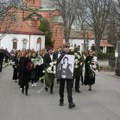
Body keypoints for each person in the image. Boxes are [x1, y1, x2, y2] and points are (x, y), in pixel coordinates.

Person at [57, 43, 75, 108]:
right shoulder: (61, 54)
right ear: (63, 48)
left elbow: (72, 65)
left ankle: (70, 102)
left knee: (69, 88)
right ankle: (61, 100)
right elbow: (57, 64)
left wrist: (74, 62)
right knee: (61, 88)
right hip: (62, 74)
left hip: (69, 74)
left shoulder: (71, 54)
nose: (67, 48)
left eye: (68, 47)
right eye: (66, 47)